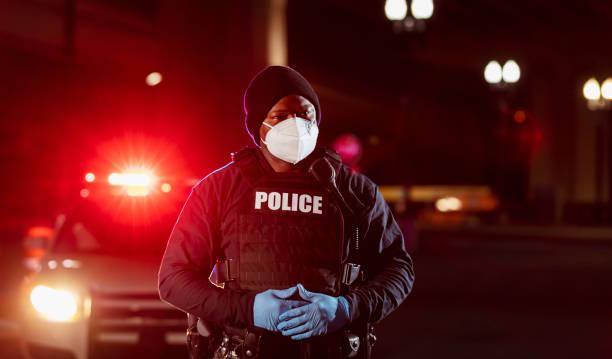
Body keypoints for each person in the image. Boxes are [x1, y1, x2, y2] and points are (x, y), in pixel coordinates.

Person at [158, 66, 415, 359]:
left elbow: (399, 269)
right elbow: (173, 280)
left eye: (305, 115)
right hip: (245, 350)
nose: (295, 124)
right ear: (259, 127)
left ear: (317, 121)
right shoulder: (219, 189)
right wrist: (248, 309)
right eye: (279, 116)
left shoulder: (354, 190)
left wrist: (346, 309)